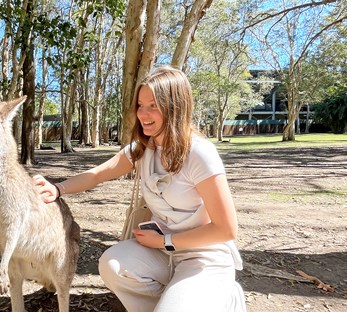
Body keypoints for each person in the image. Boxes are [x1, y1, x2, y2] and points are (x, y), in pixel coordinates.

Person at [34, 65, 246, 311]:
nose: (143, 114)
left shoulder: (200, 154)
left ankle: (223, 298)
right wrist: (58, 188)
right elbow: (98, 174)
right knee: (113, 264)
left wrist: (166, 240)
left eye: (153, 105)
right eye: (140, 106)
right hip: (163, 253)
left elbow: (226, 229)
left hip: (203, 257)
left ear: (175, 107)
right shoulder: (144, 148)